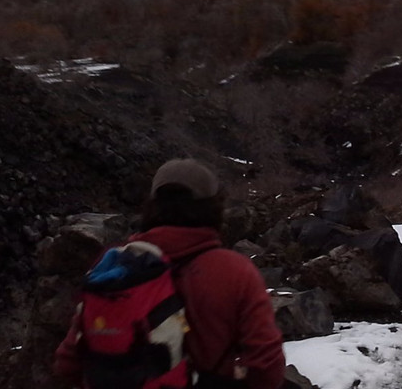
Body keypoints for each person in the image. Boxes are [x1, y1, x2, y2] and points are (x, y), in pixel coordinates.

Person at [55, 158, 286, 389]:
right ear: (214, 209)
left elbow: (67, 363)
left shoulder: (114, 267)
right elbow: (267, 367)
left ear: (152, 206)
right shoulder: (235, 272)